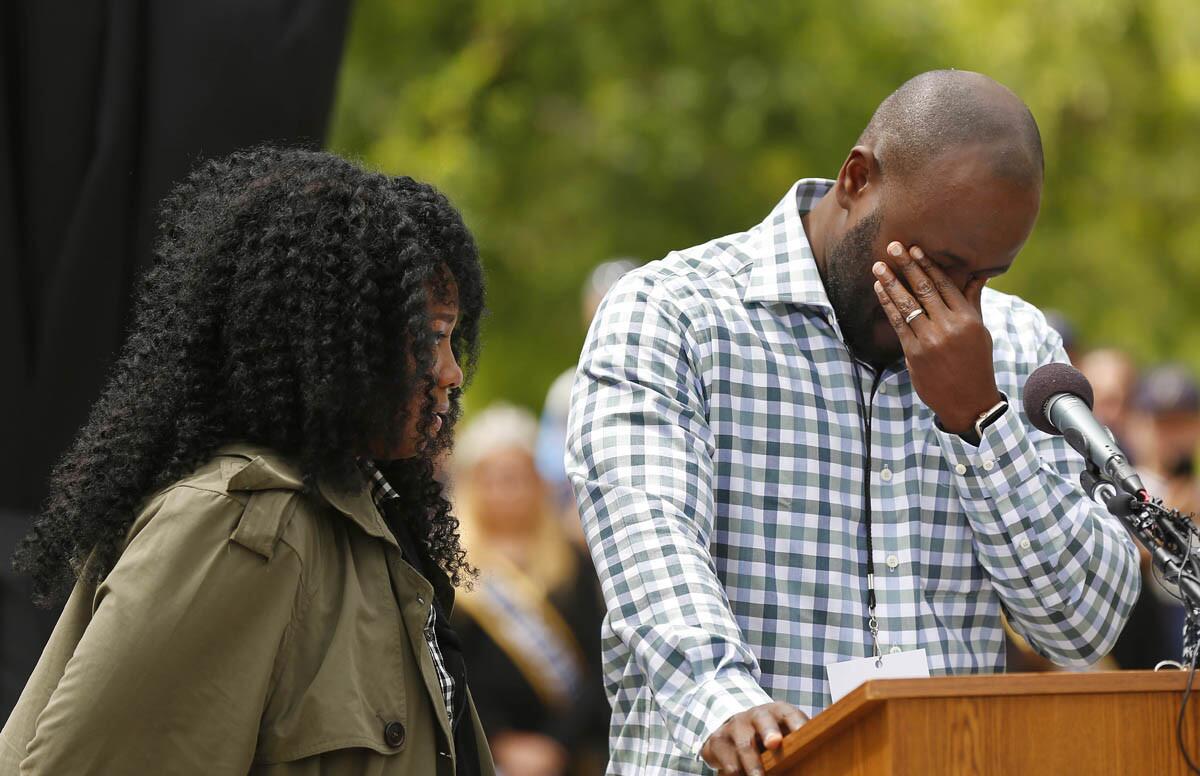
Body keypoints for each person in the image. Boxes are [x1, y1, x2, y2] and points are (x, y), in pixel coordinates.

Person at [566, 70, 1141, 776]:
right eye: (936, 263)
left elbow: (1081, 629)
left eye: (985, 275)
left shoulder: (1015, 346)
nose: (954, 302)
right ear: (856, 179)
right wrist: (725, 700)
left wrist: (980, 421)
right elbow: (649, 541)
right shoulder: (671, 315)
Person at [1, 147, 495, 775]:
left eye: (454, 339)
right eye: (431, 337)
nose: (452, 373)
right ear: (336, 341)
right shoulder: (240, 528)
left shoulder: (368, 524)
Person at [450, 404, 608, 776]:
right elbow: (455, 670)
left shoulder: (572, 562)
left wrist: (559, 744)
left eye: (516, 477)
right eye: (493, 478)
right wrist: (499, 741)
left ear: (537, 482)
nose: (506, 490)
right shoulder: (451, 569)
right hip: (488, 754)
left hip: (571, 756)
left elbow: (598, 660)